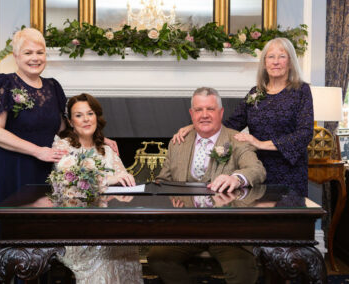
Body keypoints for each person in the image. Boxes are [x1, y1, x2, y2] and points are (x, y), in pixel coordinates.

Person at [0, 28, 119, 283]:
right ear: (15, 56)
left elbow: (64, 126)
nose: (35, 57)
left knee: (37, 236)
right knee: (7, 233)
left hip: (42, 170)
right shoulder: (3, 83)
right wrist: (38, 151)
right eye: (28, 52)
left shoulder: (52, 87)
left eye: (40, 52)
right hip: (8, 169)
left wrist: (99, 138)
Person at [147, 87, 266, 284]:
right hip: (185, 230)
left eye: (210, 109)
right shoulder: (178, 142)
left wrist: (236, 178)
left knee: (242, 272)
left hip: (228, 232)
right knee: (158, 258)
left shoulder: (237, 140)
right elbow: (162, 181)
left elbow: (257, 169)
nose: (204, 115)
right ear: (191, 114)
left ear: (220, 113)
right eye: (199, 110)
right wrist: (170, 200)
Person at [173, 37, 314, 196]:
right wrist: (196, 126)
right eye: (271, 57)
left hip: (289, 171)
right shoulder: (256, 92)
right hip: (256, 169)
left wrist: (260, 144)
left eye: (282, 56)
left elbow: (305, 133)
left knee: (286, 219)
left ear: (290, 62)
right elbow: (231, 123)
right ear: (264, 62)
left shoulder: (301, 91)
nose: (276, 62)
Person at [53, 93, 143, 284]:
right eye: (79, 115)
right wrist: (109, 179)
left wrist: (127, 180)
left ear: (97, 117)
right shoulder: (63, 147)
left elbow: (123, 180)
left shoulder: (107, 149)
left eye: (90, 113)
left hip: (109, 223)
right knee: (107, 247)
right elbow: (71, 182)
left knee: (125, 244)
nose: (86, 119)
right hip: (77, 227)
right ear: (70, 121)